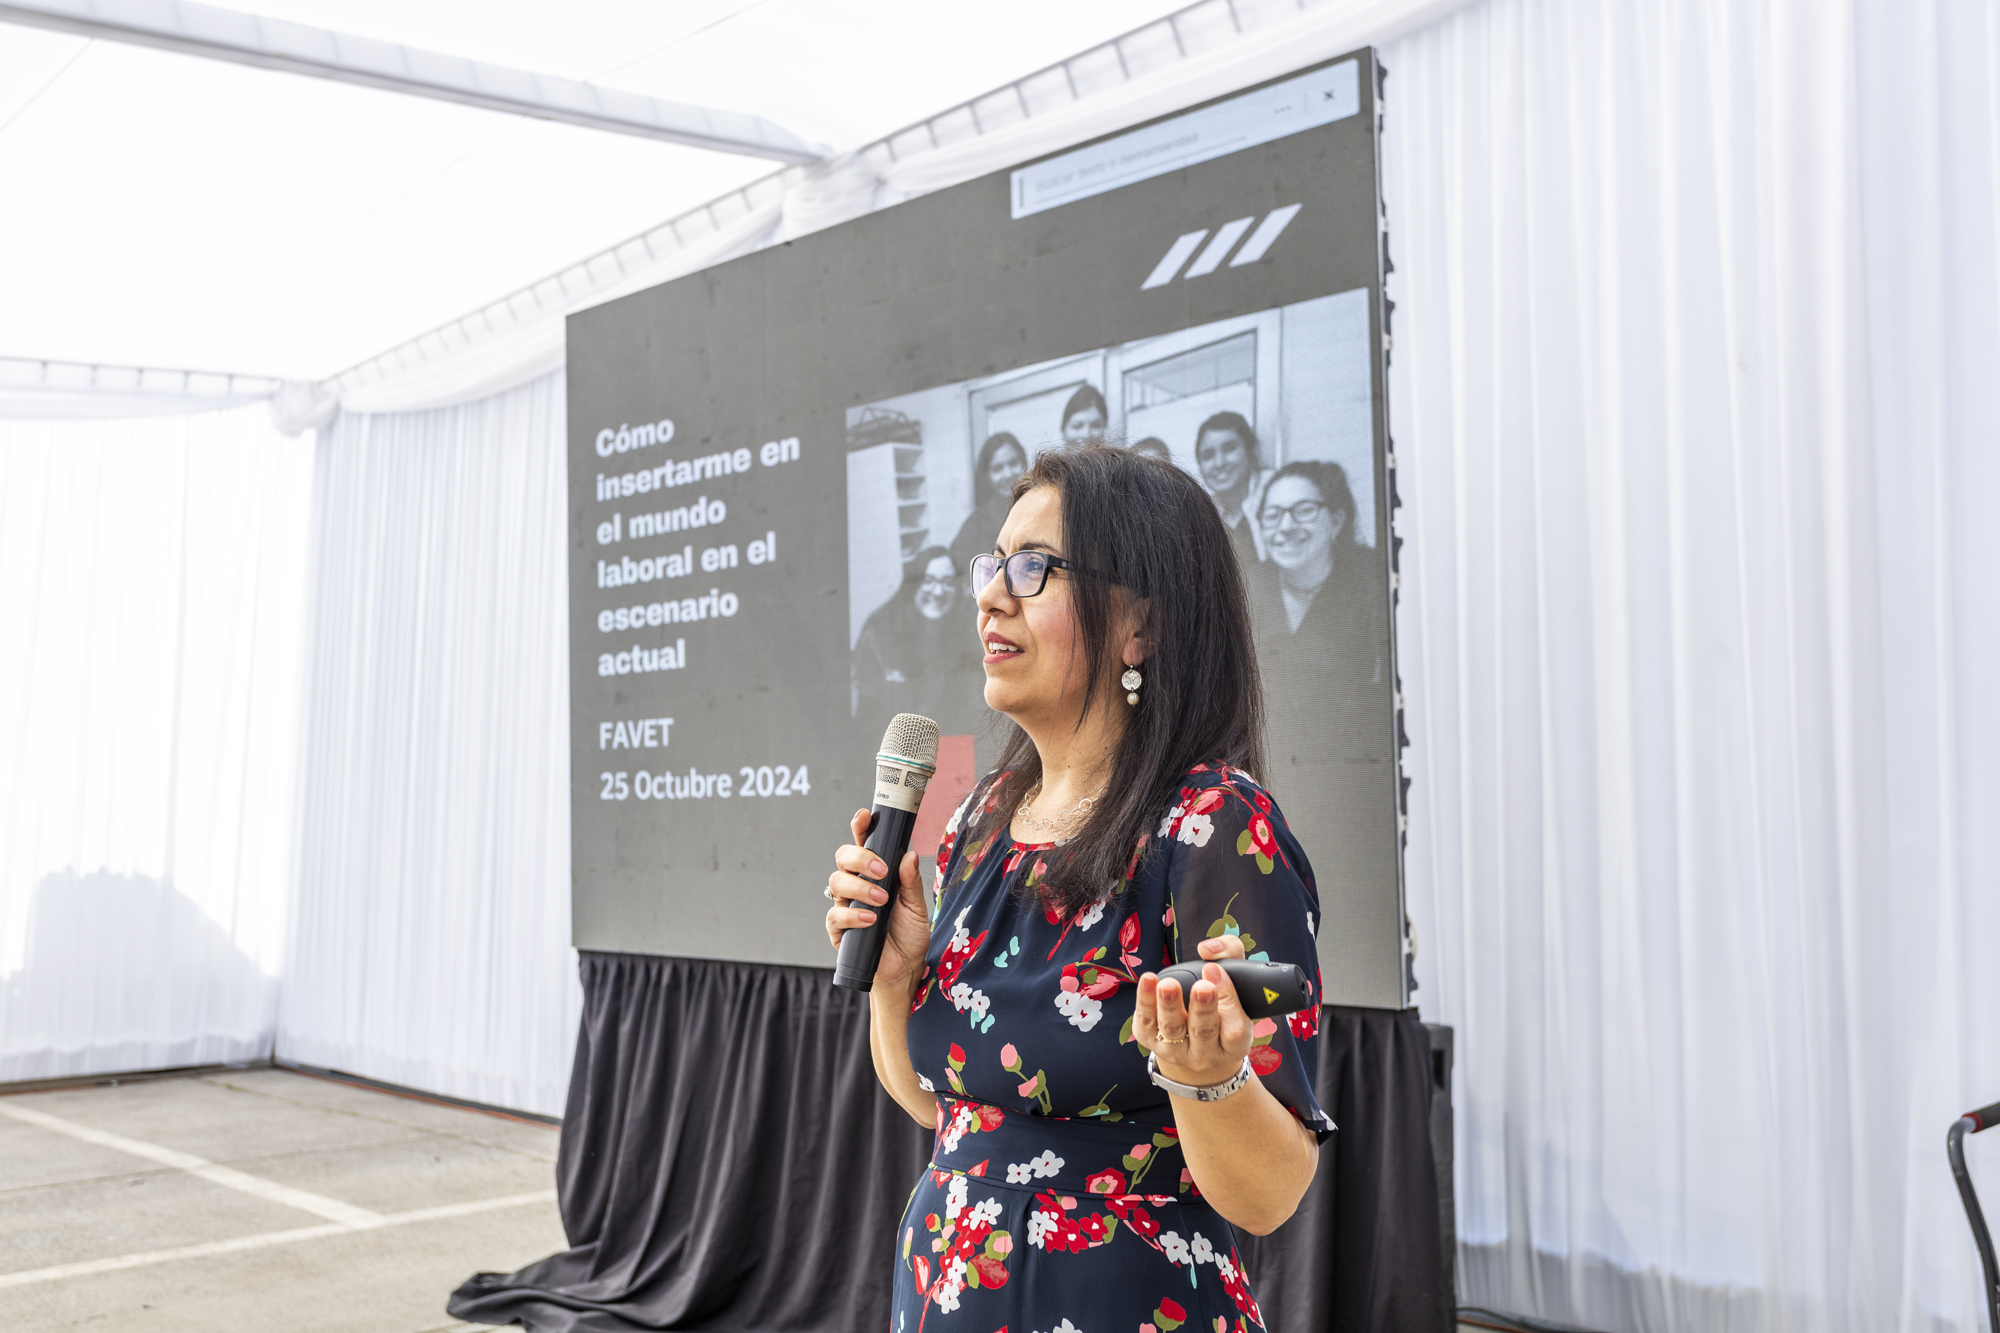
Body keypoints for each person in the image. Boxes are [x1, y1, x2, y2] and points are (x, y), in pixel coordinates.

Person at [825, 446, 1331, 1329]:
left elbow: (1271, 1193)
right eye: (993, 565)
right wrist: (895, 978)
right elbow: (944, 1109)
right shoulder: (983, 815)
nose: (991, 595)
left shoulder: (1212, 823)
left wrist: (1207, 1076)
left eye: (1034, 568)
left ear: (1141, 626)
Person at [1249, 459, 1386, 766]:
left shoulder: (1375, 580)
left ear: (1336, 521)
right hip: (1274, 762)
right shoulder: (1250, 584)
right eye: (1272, 515)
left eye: (1304, 510)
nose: (1286, 527)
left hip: (1355, 760)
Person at [852, 546, 987, 734]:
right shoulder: (880, 630)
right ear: (913, 584)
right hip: (895, 742)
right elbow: (867, 713)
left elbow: (974, 708)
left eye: (948, 582)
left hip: (952, 740)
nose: (938, 592)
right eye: (928, 580)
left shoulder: (968, 631)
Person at [949, 432, 1029, 580]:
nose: (1008, 474)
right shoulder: (977, 522)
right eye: (997, 469)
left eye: (1013, 463)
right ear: (987, 476)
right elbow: (959, 565)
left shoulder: (1041, 507)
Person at [1193, 412, 1262, 575]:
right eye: (1208, 455)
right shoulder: (1202, 514)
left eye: (1229, 448)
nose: (1219, 463)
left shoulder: (1280, 496)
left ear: (1251, 451)